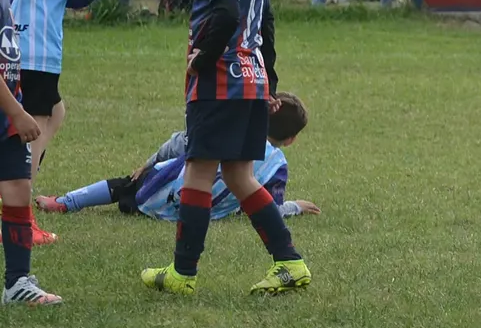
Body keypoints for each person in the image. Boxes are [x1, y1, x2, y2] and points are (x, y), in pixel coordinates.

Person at [140, 0, 310, 296]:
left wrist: (205, 57)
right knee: (240, 176)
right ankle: (290, 263)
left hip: (220, 85)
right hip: (250, 84)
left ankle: (182, 273)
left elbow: (228, 15)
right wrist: (268, 80)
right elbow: (265, 24)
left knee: (197, 173)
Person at [1, 0, 99, 246]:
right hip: (37, 46)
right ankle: (20, 217)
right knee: (32, 128)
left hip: (6, 38)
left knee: (55, 111)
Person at [35, 91, 319, 222]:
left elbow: (177, 144)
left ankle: (65, 202)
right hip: (194, 214)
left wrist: (147, 165)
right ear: (291, 139)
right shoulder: (277, 167)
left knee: (127, 182)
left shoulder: (228, 128)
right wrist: (295, 206)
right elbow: (266, 209)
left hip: (147, 194)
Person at [0, 0, 62, 306]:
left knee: (18, 190)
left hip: (8, 112)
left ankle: (17, 282)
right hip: (9, 111)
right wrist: (19, 112)